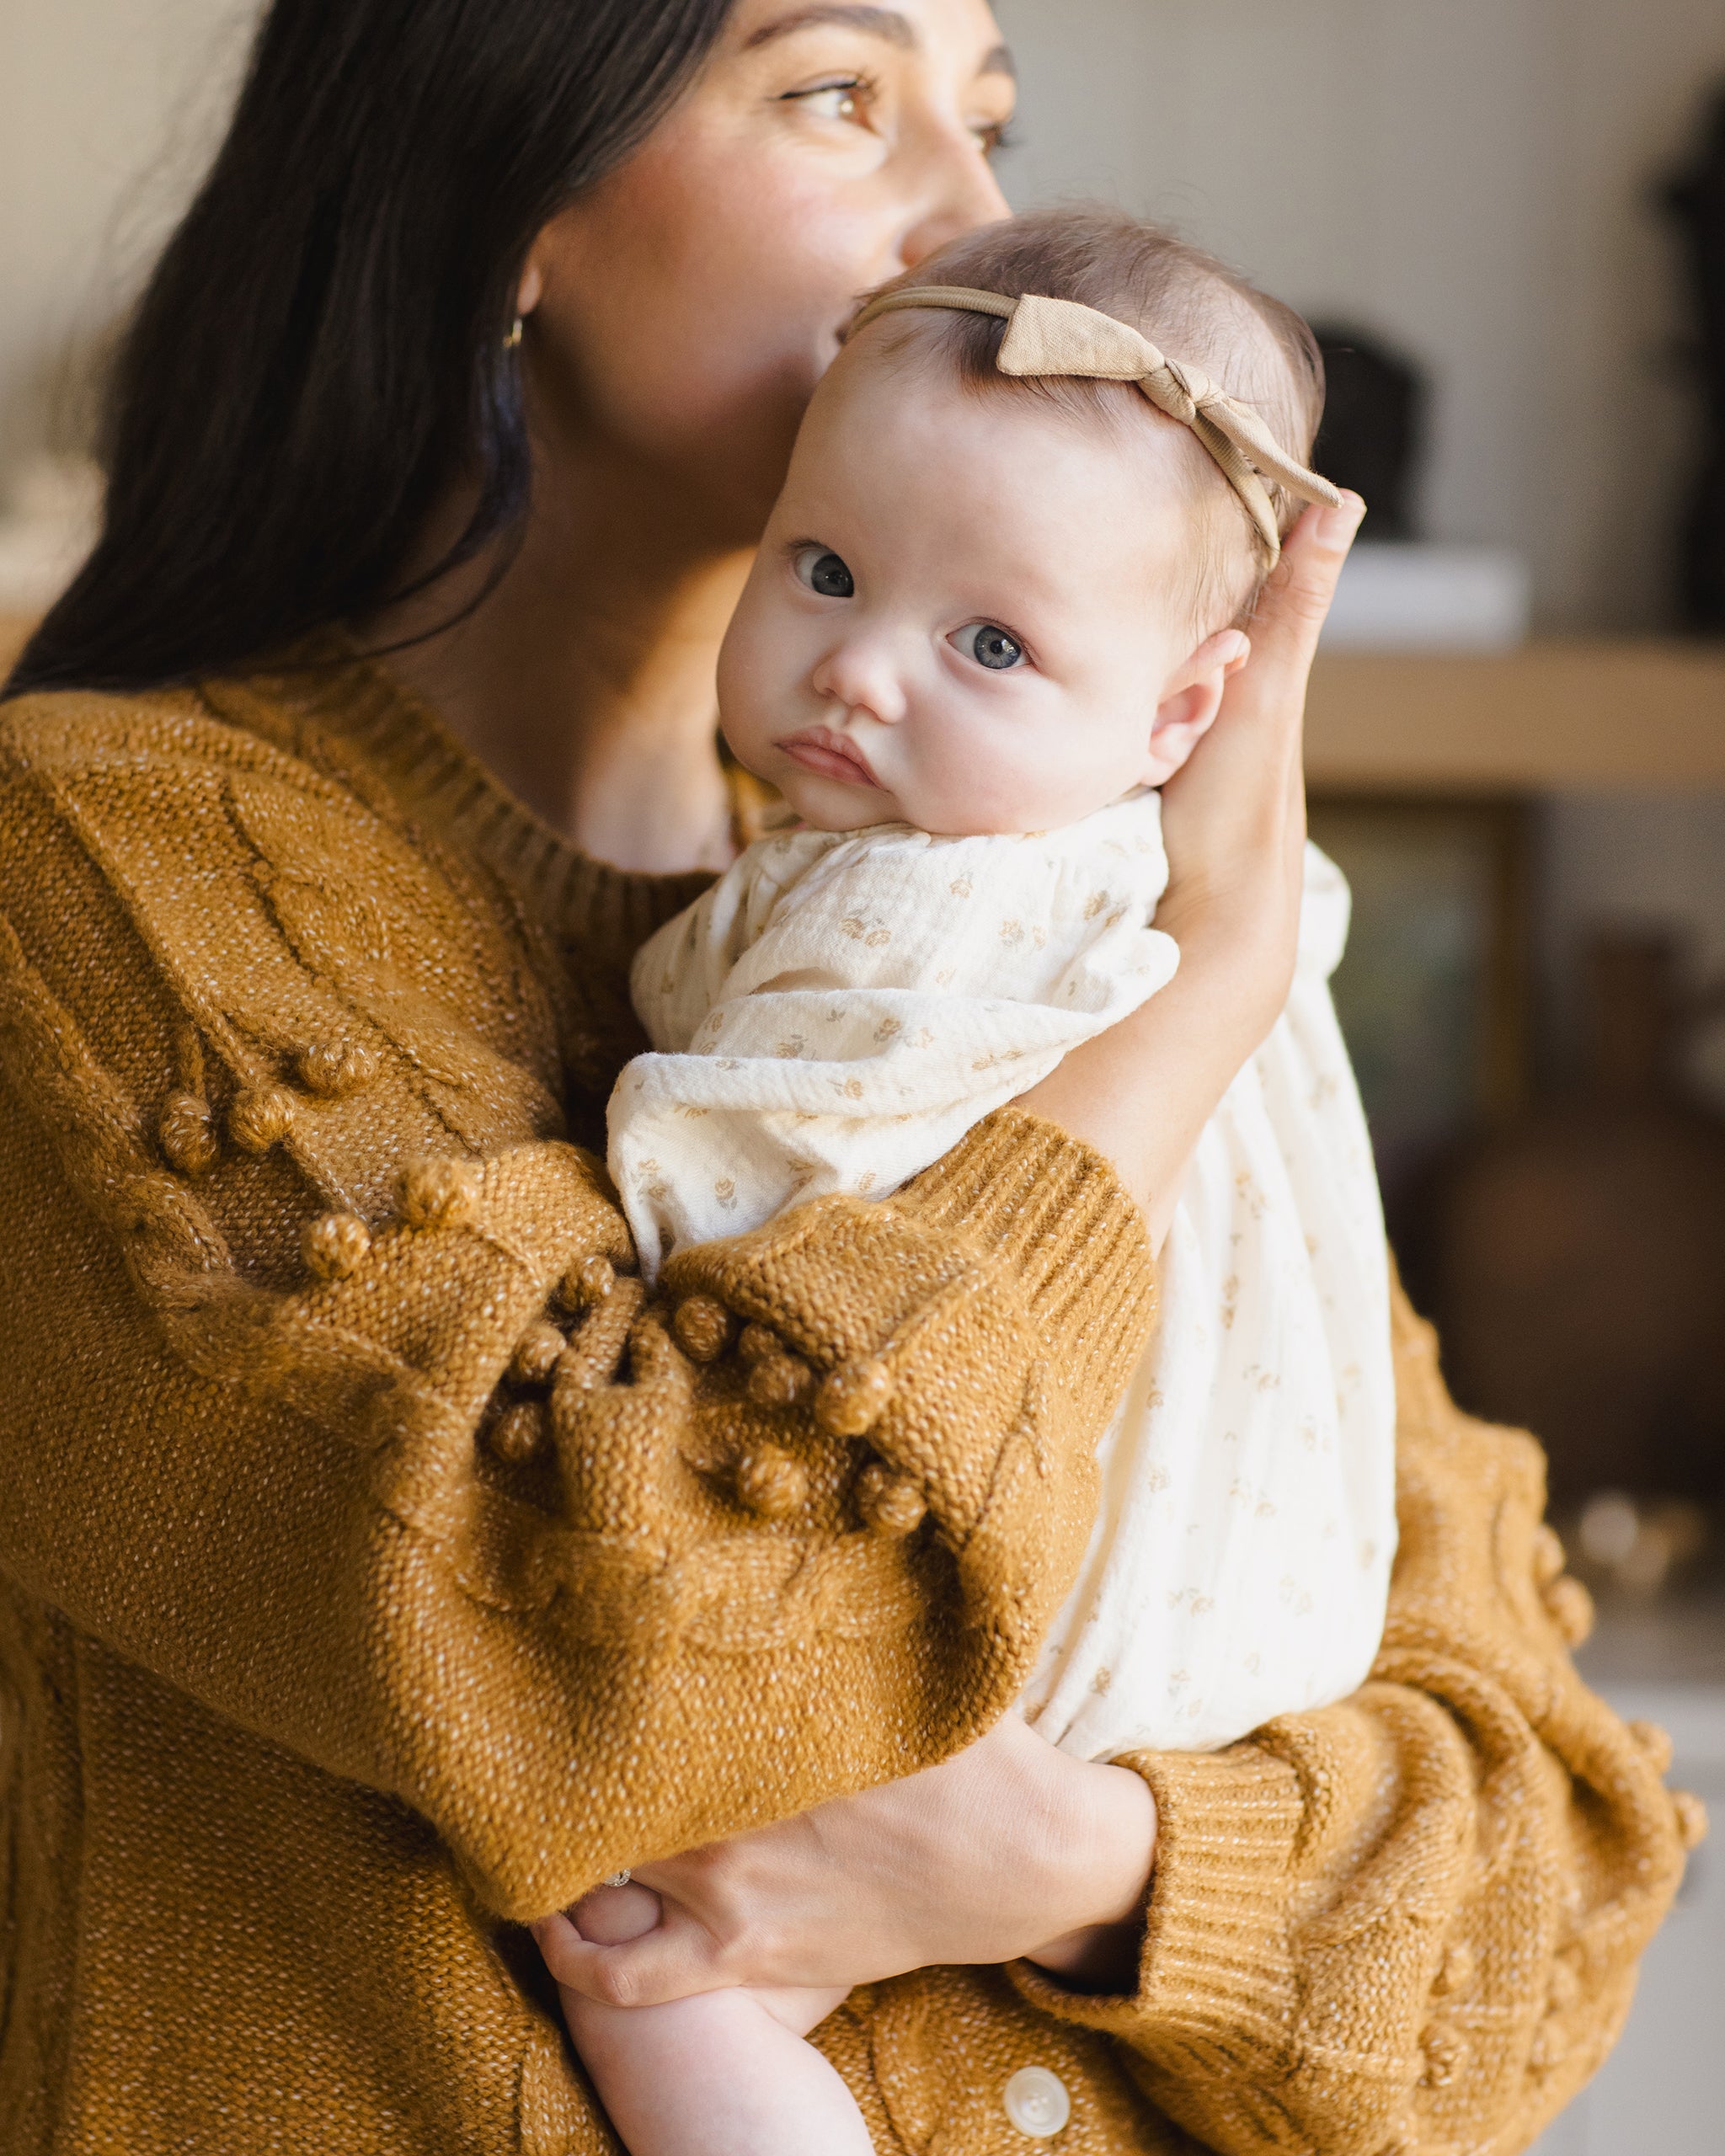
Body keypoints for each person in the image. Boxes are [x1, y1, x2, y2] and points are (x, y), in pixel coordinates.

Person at [0, 3, 1699, 2153]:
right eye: (840, 96)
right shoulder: (100, 870)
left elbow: (1555, 1875)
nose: (975, 224)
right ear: (509, 197)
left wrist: (1089, 1868)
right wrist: (1180, 1019)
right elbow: (602, 1662)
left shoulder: (1048, 898)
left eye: (990, 119)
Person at [565, 209, 1399, 2156]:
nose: (856, 673)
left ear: (1187, 709)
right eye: (826, 566)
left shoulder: (922, 905)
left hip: (1028, 1622)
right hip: (1239, 1631)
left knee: (642, 1949)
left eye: (991, 641)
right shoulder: (1193, 896)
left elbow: (737, 1277)